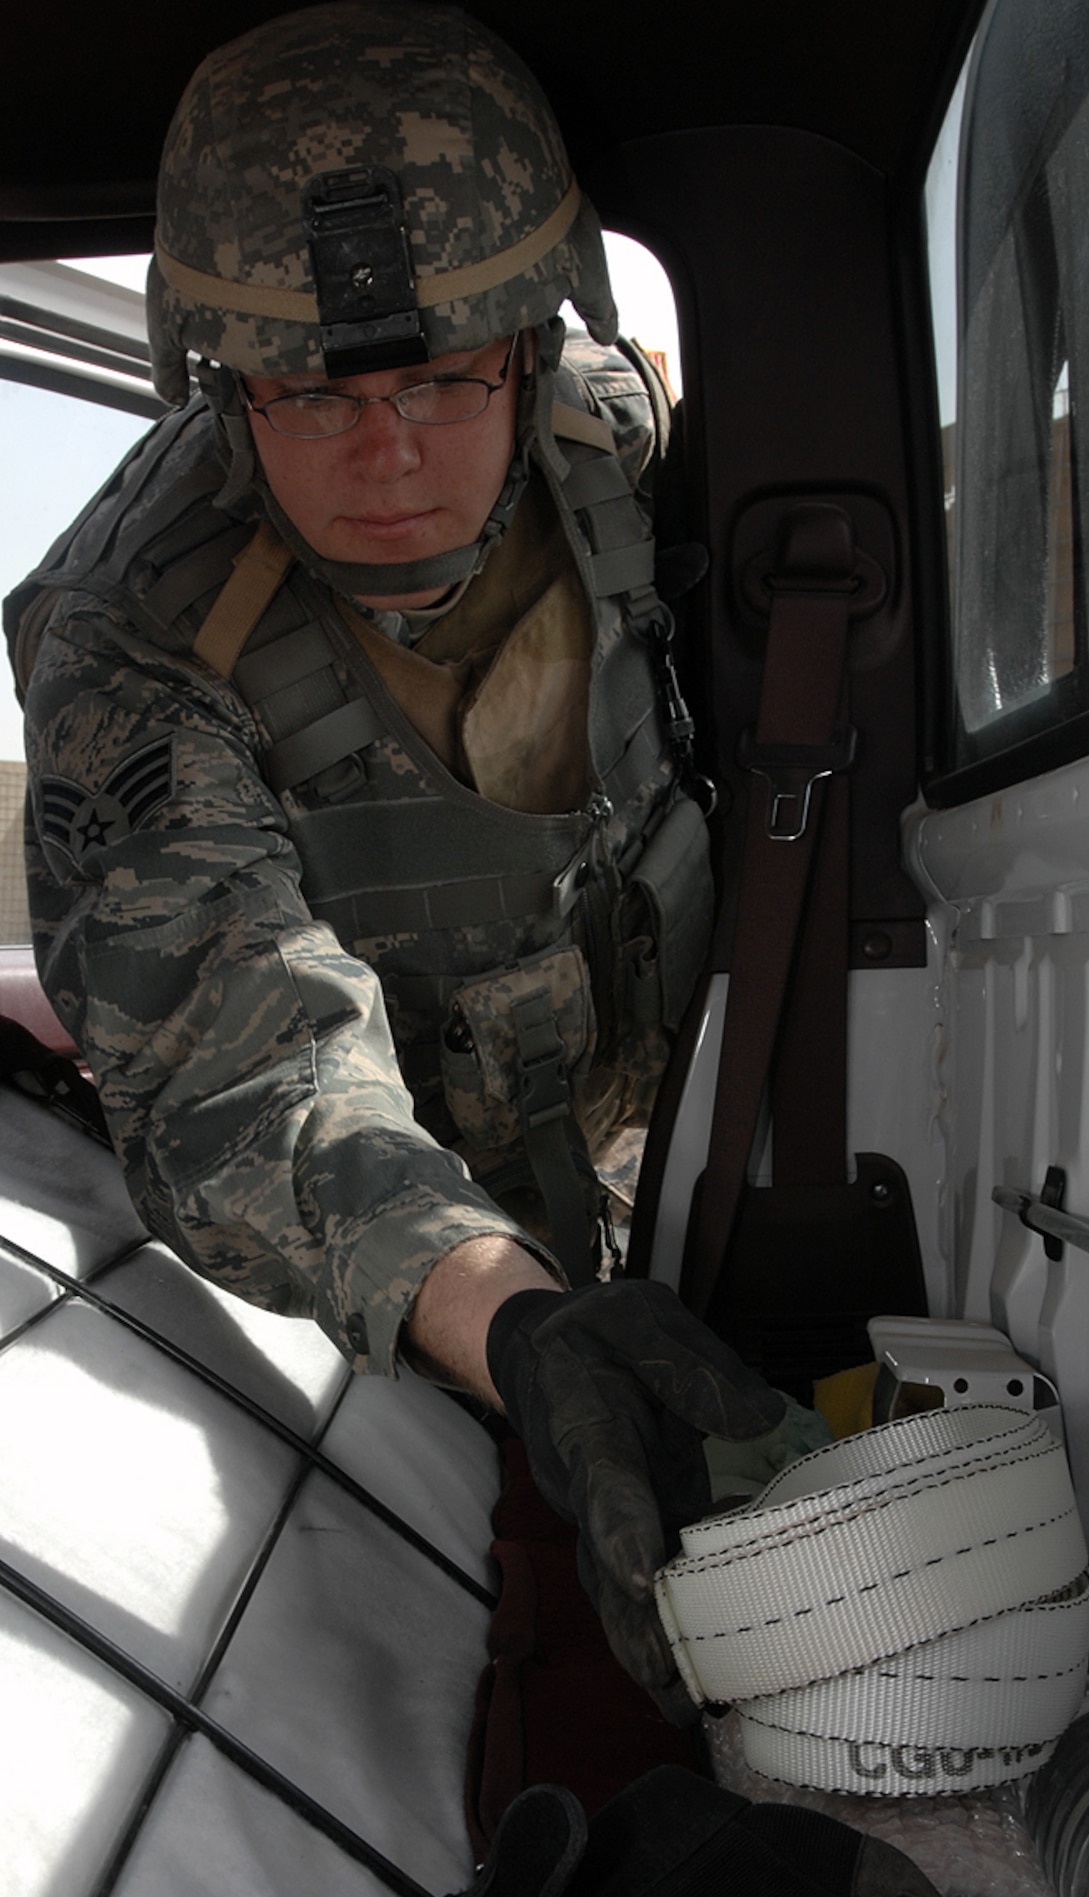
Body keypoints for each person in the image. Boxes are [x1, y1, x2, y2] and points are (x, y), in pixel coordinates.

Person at [5, 0, 783, 1720]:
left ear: (531, 341)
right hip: (398, 1288)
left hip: (679, 1147)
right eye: (309, 394)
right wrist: (513, 1322)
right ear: (221, 382)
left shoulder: (613, 446)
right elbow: (242, 1058)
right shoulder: (135, 634)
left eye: (440, 375)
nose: (388, 454)